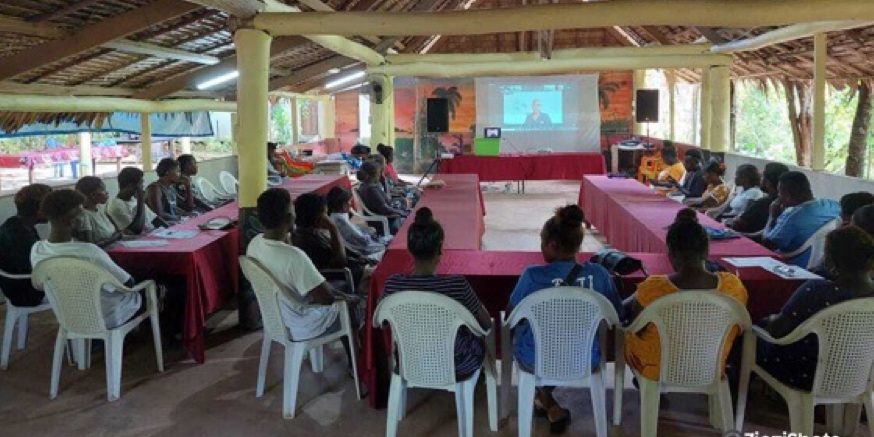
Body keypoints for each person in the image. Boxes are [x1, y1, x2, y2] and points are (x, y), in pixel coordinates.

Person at [508, 204, 623, 432]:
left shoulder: (532, 276)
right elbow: (617, 315)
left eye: (542, 242)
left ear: (552, 244)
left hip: (536, 358)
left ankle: (543, 397)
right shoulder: (599, 275)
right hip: (584, 357)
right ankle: (546, 400)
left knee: (519, 334)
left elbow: (511, 316)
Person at [625, 209, 748, 382]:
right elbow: (739, 328)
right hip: (710, 369)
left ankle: (647, 385)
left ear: (671, 254)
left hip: (657, 369)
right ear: (706, 252)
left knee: (625, 334)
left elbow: (636, 327)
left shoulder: (654, 288)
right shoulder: (732, 286)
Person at [757, 226, 874, 391]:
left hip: (807, 373)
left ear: (830, 261)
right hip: (859, 376)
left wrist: (767, 320)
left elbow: (776, 330)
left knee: (752, 331)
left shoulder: (817, 290)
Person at [383, 208, 492, 381]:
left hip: (410, 361)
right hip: (457, 363)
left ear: (409, 249)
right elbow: (486, 325)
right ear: (440, 248)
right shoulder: (456, 285)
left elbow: (384, 324)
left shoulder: (393, 285)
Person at [246, 188, 359, 341]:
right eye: (293, 210)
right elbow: (326, 299)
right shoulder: (294, 256)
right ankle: (360, 360)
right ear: (289, 218)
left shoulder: (254, 244)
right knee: (356, 309)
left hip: (278, 319)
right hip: (304, 324)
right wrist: (352, 299)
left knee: (345, 296)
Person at [31, 190, 143, 329]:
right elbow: (128, 283)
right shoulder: (89, 251)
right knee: (152, 285)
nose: (85, 215)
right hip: (107, 313)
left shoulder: (37, 249)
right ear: (72, 220)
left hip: (68, 315)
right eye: (81, 211)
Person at [293, 192, 373, 293]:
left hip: (353, 267)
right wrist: (333, 228)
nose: (327, 217)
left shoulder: (313, 232)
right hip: (344, 274)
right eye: (325, 214)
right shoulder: (307, 239)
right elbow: (341, 260)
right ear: (318, 216)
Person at [763, 171, 841, 267]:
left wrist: (772, 217)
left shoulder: (793, 218)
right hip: (820, 264)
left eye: (779, 192)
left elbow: (767, 245)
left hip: (791, 265)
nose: (778, 196)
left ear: (787, 195)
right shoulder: (832, 205)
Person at [0, 184, 52, 307]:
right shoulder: (20, 235)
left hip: (17, 287)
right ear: (40, 210)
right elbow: (34, 267)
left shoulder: (15, 224)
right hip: (27, 292)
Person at [326, 186, 387, 258]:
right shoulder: (340, 220)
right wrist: (369, 234)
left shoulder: (337, 215)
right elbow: (362, 240)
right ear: (343, 204)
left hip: (360, 246)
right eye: (349, 201)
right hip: (363, 251)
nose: (350, 204)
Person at [728, 162, 790, 234]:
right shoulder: (787, 203)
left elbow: (738, 224)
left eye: (763, 176)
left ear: (768, 182)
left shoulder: (762, 203)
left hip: (749, 239)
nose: (760, 178)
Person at [107, 167, 163, 235]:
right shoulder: (117, 206)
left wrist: (169, 228)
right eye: (141, 184)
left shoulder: (133, 199)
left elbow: (155, 220)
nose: (143, 186)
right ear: (131, 186)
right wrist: (141, 200)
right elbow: (136, 230)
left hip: (152, 234)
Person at [357, 160, 408, 234]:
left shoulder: (365, 185)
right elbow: (384, 209)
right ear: (374, 175)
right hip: (382, 221)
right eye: (379, 173)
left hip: (378, 216)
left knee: (403, 201)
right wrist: (401, 212)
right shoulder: (372, 189)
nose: (381, 175)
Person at [73, 176, 123, 247]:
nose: (107, 192)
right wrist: (115, 238)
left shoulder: (100, 208)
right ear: (93, 195)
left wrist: (117, 236)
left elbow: (118, 231)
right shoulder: (84, 215)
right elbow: (91, 246)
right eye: (103, 190)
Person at [147, 158, 185, 225]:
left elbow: (184, 206)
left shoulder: (170, 187)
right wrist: (180, 218)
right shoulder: (155, 188)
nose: (180, 174)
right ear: (167, 172)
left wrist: (188, 187)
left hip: (174, 221)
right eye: (178, 171)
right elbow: (159, 215)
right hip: (162, 226)